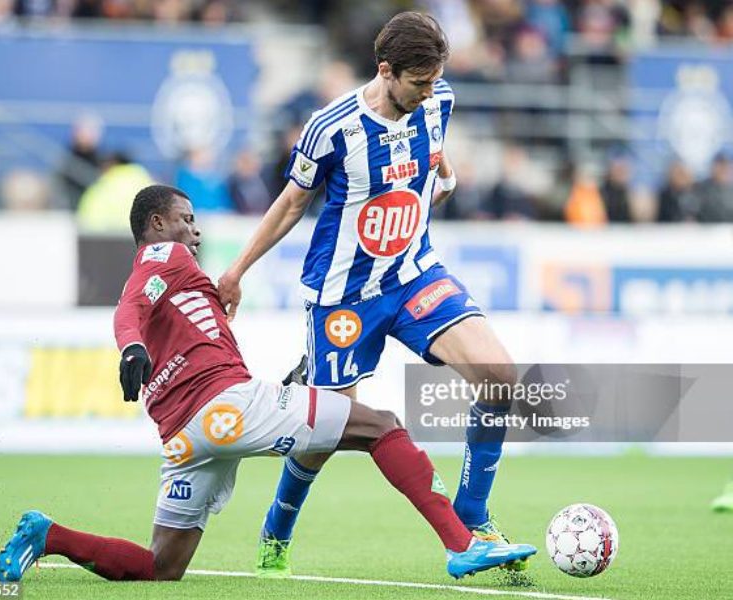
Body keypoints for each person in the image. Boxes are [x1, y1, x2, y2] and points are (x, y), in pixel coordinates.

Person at [0, 185, 536, 584]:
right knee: (382, 426)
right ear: (156, 224)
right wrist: (130, 345)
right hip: (223, 406)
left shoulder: (188, 290)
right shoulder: (165, 255)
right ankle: (462, 543)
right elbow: (130, 305)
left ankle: (48, 534)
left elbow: (172, 336)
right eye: (185, 219)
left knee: (162, 567)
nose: (195, 230)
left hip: (186, 437)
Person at [216, 12, 531, 578]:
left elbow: (436, 160)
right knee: (324, 434)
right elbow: (291, 203)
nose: (429, 92)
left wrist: (443, 181)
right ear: (385, 71)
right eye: (419, 83)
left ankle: (473, 514)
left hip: (414, 276)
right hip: (344, 297)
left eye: (436, 81)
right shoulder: (331, 127)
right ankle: (278, 527)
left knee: (500, 376)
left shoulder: (438, 102)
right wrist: (237, 270)